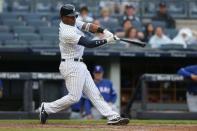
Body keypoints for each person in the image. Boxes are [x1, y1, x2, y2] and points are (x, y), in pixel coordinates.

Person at [39, 4, 129, 125]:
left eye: (74, 16)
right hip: (70, 65)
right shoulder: (66, 32)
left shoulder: (72, 22)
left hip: (79, 64)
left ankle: (113, 116)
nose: (73, 19)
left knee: (94, 93)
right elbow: (89, 43)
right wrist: (107, 40)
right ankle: (46, 108)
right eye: (70, 17)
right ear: (63, 17)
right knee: (74, 97)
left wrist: (104, 31)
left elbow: (87, 26)